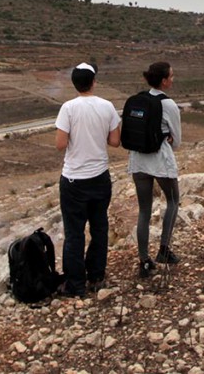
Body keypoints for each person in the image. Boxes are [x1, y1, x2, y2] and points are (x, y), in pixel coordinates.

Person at [55, 62, 121, 297]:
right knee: (99, 227)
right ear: (93, 82)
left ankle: (75, 284)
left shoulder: (68, 108)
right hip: (100, 177)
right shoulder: (107, 106)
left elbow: (60, 144)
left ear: (74, 84)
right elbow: (115, 142)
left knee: (74, 233)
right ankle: (96, 276)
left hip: (74, 180)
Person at [128, 61, 182, 277]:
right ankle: (164, 249)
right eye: (171, 75)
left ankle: (144, 261)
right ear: (164, 80)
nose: (173, 78)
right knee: (173, 201)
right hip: (160, 162)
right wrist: (168, 138)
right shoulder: (168, 105)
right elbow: (176, 140)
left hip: (138, 161)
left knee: (144, 210)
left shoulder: (139, 99)